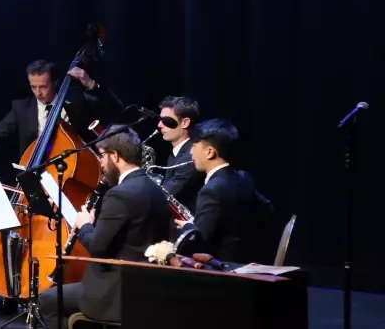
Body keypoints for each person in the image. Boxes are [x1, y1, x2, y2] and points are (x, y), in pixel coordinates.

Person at [0, 59, 115, 315]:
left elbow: (112, 108)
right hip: (31, 178)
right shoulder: (21, 107)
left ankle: (55, 289)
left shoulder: (76, 101)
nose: (39, 92)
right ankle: (10, 290)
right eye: (33, 87)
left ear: (55, 83)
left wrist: (90, 84)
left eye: (43, 86)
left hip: (66, 182)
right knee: (8, 229)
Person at [38, 126, 172, 326]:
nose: (100, 163)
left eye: (101, 156)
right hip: (146, 287)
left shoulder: (119, 194)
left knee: (47, 300)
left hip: (116, 291)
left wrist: (85, 225)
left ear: (115, 156)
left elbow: (97, 248)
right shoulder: (155, 189)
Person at [177, 118, 273, 262]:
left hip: (222, 266)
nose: (191, 152)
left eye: (194, 146)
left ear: (210, 152)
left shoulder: (211, 190)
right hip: (248, 259)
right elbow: (267, 209)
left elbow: (199, 244)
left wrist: (188, 226)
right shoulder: (244, 177)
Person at [156, 95, 205, 215]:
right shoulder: (176, 153)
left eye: (166, 120)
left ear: (185, 123)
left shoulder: (191, 156)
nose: (160, 125)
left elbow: (166, 194)